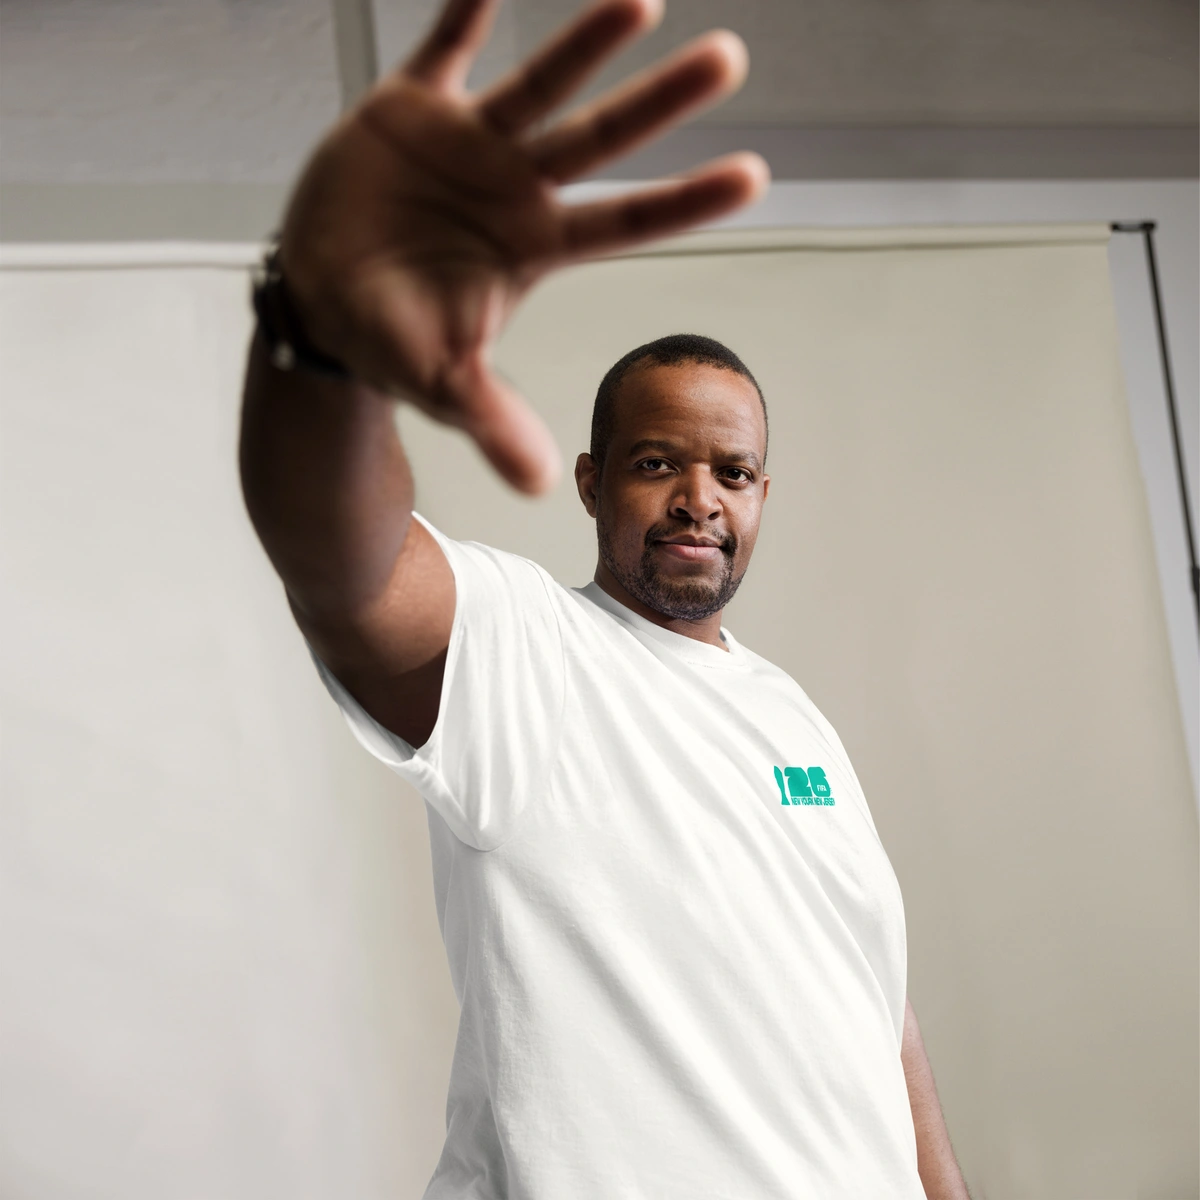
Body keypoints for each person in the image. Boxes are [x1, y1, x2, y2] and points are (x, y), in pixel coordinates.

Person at [238, 0, 971, 1195]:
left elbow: (878, 1004)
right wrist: (322, 338)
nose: (699, 499)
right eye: (657, 462)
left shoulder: (792, 716)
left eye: (732, 472)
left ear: (763, 494)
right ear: (593, 482)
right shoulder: (529, 651)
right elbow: (344, 568)